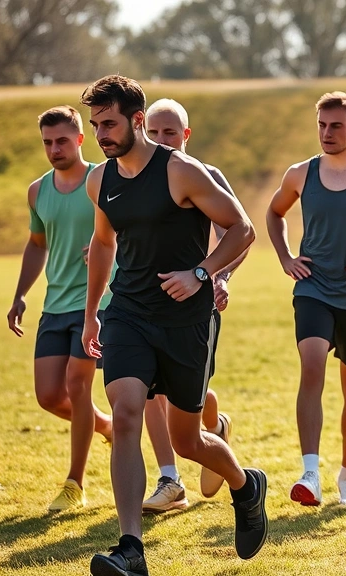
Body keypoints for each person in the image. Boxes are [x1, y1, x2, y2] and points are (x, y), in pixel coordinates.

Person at [80, 75, 267, 576]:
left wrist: (201, 273)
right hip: (127, 315)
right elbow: (102, 244)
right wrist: (92, 311)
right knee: (126, 414)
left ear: (137, 121)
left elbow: (241, 228)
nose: (101, 133)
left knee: (188, 440)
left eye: (110, 123)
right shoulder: (100, 180)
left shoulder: (180, 171)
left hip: (185, 321)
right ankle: (131, 550)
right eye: (96, 124)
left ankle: (246, 486)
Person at [267, 92, 346, 507]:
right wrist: (287, 257)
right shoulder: (300, 174)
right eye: (321, 125)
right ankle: (310, 472)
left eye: (336, 125)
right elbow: (274, 213)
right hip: (313, 288)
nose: (326, 133)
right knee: (312, 365)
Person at [140, 98, 247, 513]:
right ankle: (170, 480)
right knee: (148, 389)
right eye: (154, 132)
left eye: (170, 133)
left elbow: (239, 234)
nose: (162, 140)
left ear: (185, 135)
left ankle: (213, 427)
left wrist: (217, 277)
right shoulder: (132, 174)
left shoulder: (206, 176)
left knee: (177, 395)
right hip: (140, 306)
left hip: (191, 308)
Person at [7, 105, 113, 512]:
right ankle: (106, 427)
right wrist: (20, 294)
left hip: (95, 303)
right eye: (48, 142)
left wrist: (106, 248)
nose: (54, 148)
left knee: (78, 386)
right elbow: (37, 244)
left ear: (80, 140)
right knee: (48, 396)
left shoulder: (101, 181)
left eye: (62, 140)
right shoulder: (37, 191)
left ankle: (75, 484)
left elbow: (125, 230)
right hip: (54, 306)